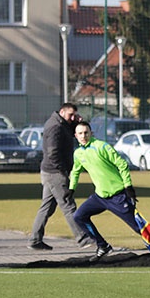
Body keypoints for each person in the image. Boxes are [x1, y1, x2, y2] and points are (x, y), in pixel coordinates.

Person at [69, 121, 150, 271]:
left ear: (91, 133)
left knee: (140, 227)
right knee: (79, 216)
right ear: (75, 136)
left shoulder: (102, 146)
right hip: (100, 197)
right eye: (80, 133)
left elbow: (122, 164)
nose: (83, 136)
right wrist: (71, 189)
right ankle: (103, 246)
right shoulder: (78, 153)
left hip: (118, 196)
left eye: (86, 132)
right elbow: (75, 171)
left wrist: (128, 187)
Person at [29, 102, 91, 250]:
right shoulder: (55, 127)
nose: (73, 117)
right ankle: (83, 238)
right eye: (71, 115)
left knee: (47, 208)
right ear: (62, 112)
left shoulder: (60, 124)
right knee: (68, 206)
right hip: (55, 173)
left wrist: (77, 122)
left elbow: (70, 133)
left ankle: (35, 240)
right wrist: (63, 171)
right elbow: (53, 153)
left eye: (74, 115)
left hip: (50, 172)